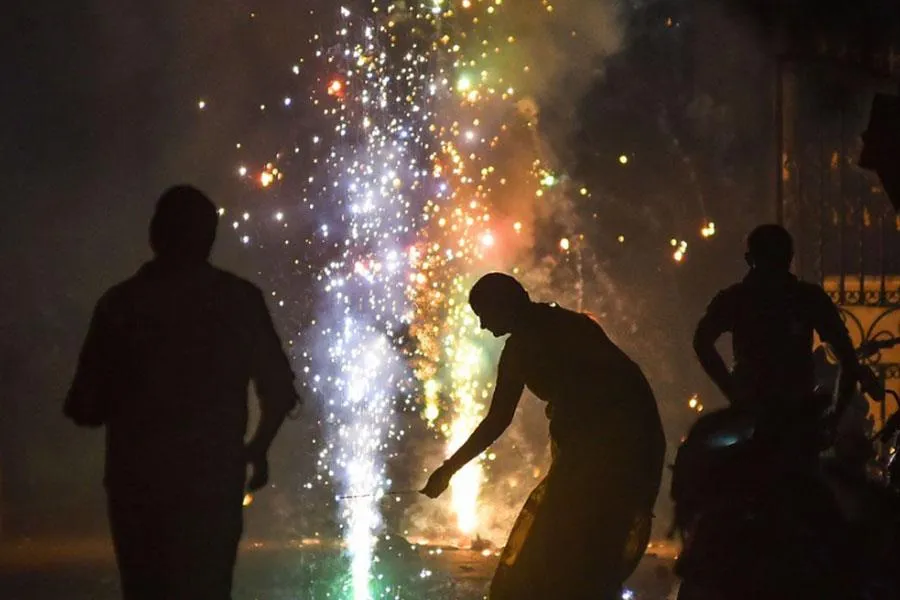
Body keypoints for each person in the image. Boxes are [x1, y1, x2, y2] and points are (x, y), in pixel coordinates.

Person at [64, 185, 299, 600]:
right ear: (209, 238)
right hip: (212, 484)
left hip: (138, 486)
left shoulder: (120, 305)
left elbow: (84, 406)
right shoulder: (240, 301)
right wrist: (257, 448)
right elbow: (279, 391)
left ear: (155, 234)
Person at [421, 273, 666, 600]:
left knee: (557, 553)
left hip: (600, 453)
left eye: (484, 315)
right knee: (592, 552)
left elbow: (497, 420)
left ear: (502, 306)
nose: (482, 326)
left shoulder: (522, 347)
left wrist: (449, 469)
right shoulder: (571, 324)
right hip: (634, 440)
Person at [693, 223, 882, 431]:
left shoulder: (738, 299)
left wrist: (733, 392)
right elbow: (847, 357)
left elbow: (702, 341)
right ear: (790, 257)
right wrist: (834, 416)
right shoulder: (806, 298)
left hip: (757, 415)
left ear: (750, 260)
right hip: (793, 418)